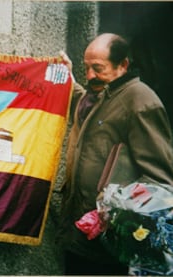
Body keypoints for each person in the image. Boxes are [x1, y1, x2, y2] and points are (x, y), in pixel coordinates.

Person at [57, 33, 173, 275]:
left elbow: (160, 180)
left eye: (97, 68)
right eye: (86, 67)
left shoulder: (139, 99)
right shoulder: (104, 93)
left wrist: (111, 213)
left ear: (123, 66)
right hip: (79, 235)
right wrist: (68, 78)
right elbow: (84, 104)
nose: (89, 75)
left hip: (110, 246)